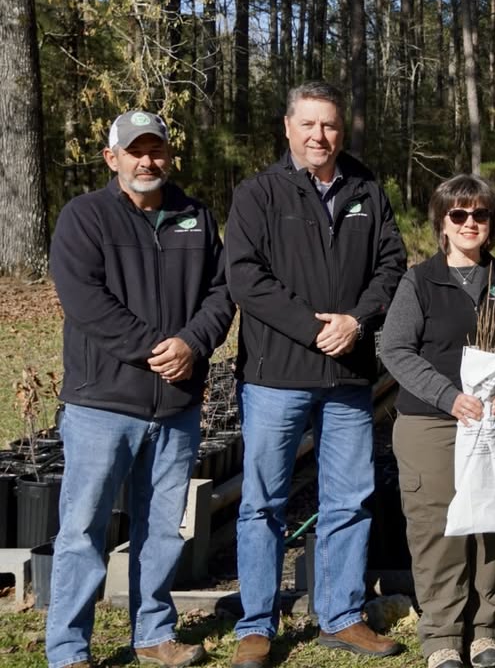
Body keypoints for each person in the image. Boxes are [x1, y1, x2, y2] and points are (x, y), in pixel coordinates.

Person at [225, 81, 407, 668]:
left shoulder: (366, 188)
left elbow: (392, 263)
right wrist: (311, 327)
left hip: (349, 373)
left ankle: (342, 615)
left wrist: (356, 321)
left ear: (340, 129)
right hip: (277, 374)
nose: (318, 136)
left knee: (349, 499)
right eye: (307, 124)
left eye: (328, 125)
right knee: (262, 503)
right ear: (288, 127)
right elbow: (245, 277)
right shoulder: (259, 193)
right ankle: (256, 621)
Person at [46, 111, 235, 668]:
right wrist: (158, 348)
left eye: (156, 150)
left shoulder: (195, 216)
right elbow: (84, 301)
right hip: (102, 404)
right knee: (83, 530)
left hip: (176, 406)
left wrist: (193, 344)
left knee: (163, 531)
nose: (147, 161)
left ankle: (153, 635)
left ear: (169, 156)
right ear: (113, 159)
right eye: (135, 151)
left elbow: (222, 293)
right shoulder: (85, 217)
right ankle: (68, 650)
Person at [380, 175, 495, 668]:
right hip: (431, 424)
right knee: (438, 528)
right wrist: (447, 396)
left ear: (492, 223)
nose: (470, 223)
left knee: (489, 523)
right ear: (442, 224)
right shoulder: (419, 280)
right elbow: (395, 349)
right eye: (459, 215)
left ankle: (484, 629)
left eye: (481, 215)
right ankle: (442, 636)